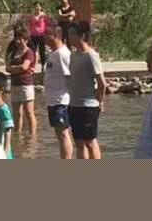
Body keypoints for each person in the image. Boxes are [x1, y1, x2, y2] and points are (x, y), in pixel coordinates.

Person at [67, 20, 106, 159]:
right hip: (73, 104)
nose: (69, 37)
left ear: (82, 35)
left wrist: (100, 101)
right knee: (79, 143)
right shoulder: (73, 55)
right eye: (69, 34)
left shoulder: (91, 55)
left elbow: (102, 83)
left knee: (90, 141)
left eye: (72, 34)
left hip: (88, 106)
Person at [43, 23, 74, 159]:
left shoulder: (63, 54)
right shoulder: (54, 53)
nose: (44, 38)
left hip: (61, 101)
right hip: (53, 101)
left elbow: (71, 77)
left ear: (55, 35)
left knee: (63, 134)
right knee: (59, 134)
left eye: (46, 35)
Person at [5, 24, 37, 135]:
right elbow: (7, 68)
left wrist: (14, 68)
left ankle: (32, 135)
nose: (18, 41)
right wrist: (16, 69)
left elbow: (24, 67)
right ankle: (17, 134)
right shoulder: (13, 53)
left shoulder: (29, 52)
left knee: (29, 112)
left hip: (26, 85)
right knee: (16, 113)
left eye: (20, 39)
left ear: (26, 40)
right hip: (15, 84)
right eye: (16, 39)